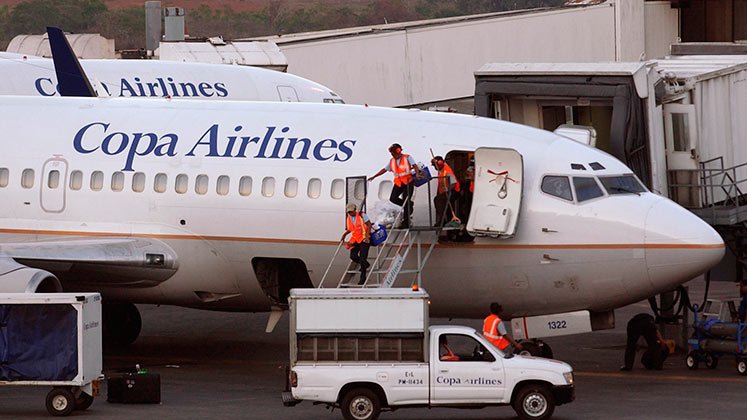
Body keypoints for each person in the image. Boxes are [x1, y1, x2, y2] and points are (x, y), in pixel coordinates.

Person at [368, 143, 422, 229]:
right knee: (393, 198)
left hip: (408, 182)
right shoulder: (392, 161)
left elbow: (415, 166)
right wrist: (374, 176)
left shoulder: (407, 157)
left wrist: (418, 174)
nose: (392, 155)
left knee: (406, 199)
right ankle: (409, 204)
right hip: (398, 182)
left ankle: (406, 222)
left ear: (399, 151)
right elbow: (384, 170)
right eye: (391, 154)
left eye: (393, 153)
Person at [340, 203, 372, 285]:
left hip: (364, 239)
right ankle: (366, 264)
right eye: (348, 212)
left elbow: (369, 224)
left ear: (355, 210)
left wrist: (367, 237)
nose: (350, 213)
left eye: (351, 211)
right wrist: (345, 234)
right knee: (353, 256)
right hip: (356, 239)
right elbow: (351, 229)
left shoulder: (362, 215)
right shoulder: (349, 218)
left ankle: (362, 278)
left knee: (362, 258)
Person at [431, 156, 461, 227]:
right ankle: (448, 220)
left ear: (440, 163)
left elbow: (453, 183)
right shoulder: (440, 170)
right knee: (444, 203)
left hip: (454, 191)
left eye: (435, 165)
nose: (435, 167)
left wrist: (447, 191)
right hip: (447, 191)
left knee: (438, 200)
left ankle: (442, 221)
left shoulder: (447, 170)